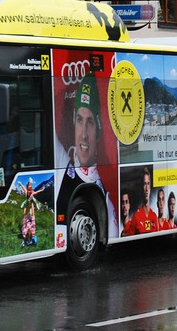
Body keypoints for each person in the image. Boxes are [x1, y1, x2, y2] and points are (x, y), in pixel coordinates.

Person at [55, 73, 118, 236]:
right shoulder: (59, 163)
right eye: (80, 120)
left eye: (90, 122)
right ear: (74, 125)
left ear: (98, 132)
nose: (83, 134)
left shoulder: (106, 204)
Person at [130, 168, 158, 233]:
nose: (146, 189)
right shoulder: (136, 216)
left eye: (148, 184)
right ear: (141, 187)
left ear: (150, 187)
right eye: (144, 184)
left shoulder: (154, 216)